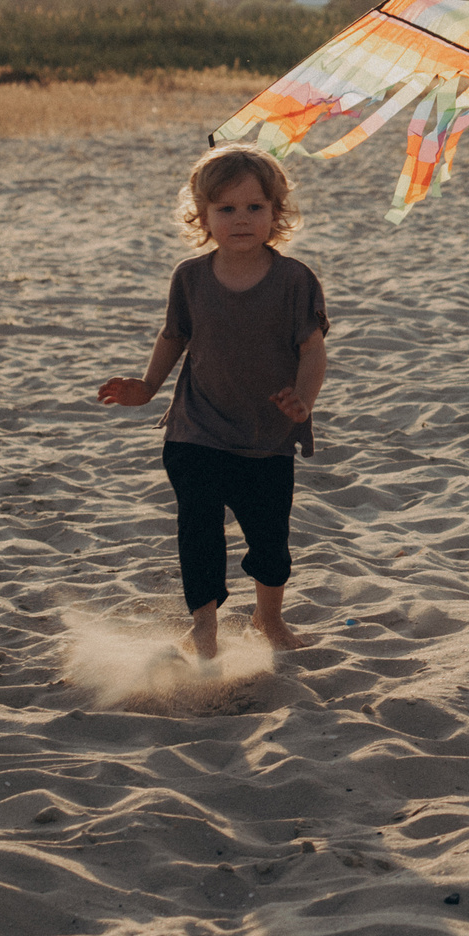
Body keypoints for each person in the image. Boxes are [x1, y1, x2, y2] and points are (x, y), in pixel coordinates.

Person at [99, 143, 328, 660]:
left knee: (270, 542)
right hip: (195, 429)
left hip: (267, 437)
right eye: (226, 209)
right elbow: (173, 336)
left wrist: (304, 399)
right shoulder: (190, 277)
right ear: (202, 216)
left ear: (277, 213)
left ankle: (268, 618)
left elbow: (313, 351)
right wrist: (147, 387)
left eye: (255, 208)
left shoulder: (294, 280)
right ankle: (204, 625)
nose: (241, 219)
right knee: (197, 527)